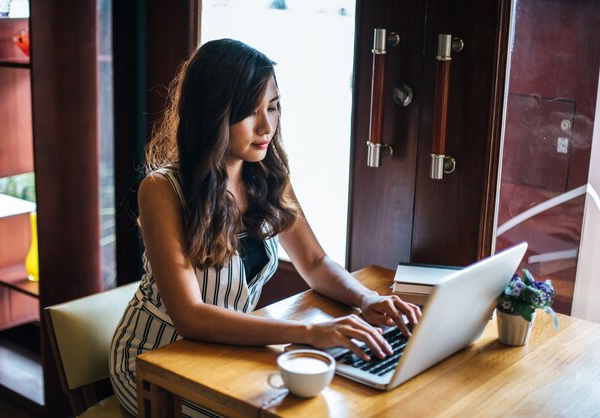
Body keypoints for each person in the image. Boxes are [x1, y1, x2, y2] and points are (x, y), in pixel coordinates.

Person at [109, 38, 421, 417]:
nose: (266, 126)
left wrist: (365, 299)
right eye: (249, 112)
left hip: (227, 351)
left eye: (273, 108)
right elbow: (190, 315)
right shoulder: (162, 190)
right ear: (212, 113)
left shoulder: (269, 177)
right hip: (156, 361)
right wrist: (309, 334)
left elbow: (315, 261)